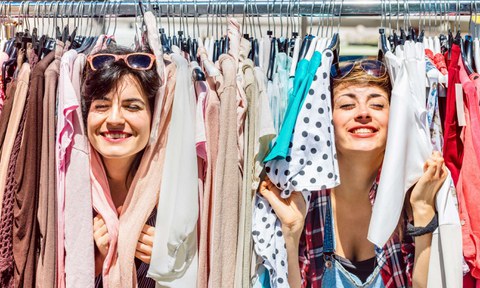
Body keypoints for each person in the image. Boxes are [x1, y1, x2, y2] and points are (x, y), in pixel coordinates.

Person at [259, 60, 448, 287]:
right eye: (347, 105)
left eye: (377, 105)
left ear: (395, 119)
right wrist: (291, 234)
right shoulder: (304, 201)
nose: (363, 113)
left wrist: (423, 209)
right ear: (326, 120)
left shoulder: (414, 195)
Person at [82, 46, 160, 287]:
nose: (114, 119)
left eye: (132, 106)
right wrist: (91, 262)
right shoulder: (66, 190)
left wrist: (173, 265)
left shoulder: (173, 195)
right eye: (102, 106)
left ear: (153, 116)